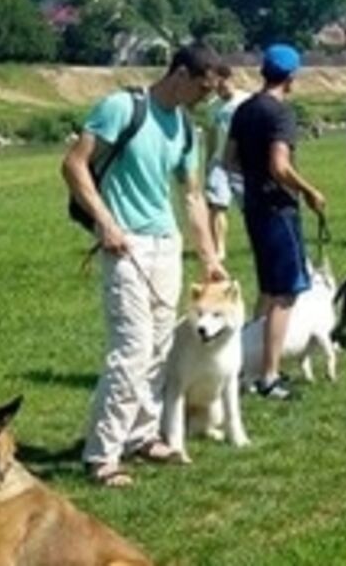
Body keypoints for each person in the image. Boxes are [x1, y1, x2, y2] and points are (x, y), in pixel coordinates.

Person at [61, 44, 227, 488]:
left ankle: (141, 435)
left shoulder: (186, 129)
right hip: (124, 243)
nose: (205, 97)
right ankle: (101, 454)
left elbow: (191, 197)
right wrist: (106, 223)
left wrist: (209, 256)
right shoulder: (122, 107)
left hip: (165, 244)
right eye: (202, 87)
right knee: (130, 348)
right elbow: (74, 165)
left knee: (158, 346)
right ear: (179, 74)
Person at [229, 44, 328, 400]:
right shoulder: (281, 114)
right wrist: (310, 191)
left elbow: (229, 160)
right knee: (285, 294)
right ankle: (269, 375)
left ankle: (242, 364)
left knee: (267, 290)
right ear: (291, 77)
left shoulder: (244, 110)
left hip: (254, 206)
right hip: (278, 210)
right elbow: (280, 166)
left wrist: (254, 180)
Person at [203, 70, 251, 260]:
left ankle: (257, 242)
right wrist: (208, 162)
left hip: (244, 163)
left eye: (225, 83)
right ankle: (219, 249)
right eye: (218, 85)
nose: (222, 87)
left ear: (233, 80)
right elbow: (211, 136)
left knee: (250, 207)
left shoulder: (247, 102)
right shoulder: (212, 107)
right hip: (220, 162)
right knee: (217, 205)